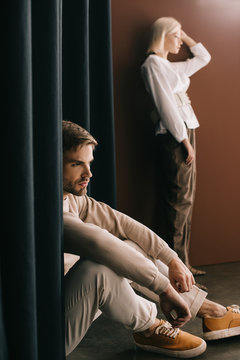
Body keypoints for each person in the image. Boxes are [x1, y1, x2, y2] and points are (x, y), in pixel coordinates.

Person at [62, 120, 240, 358]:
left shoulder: (71, 196)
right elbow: (101, 243)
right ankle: (148, 327)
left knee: (129, 246)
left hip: (72, 300)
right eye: (76, 164)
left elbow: (122, 223)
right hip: (45, 336)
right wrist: (165, 289)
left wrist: (172, 258)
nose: (88, 174)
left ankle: (209, 312)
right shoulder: (45, 209)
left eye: (89, 163)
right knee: (99, 267)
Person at [141, 17, 211, 276]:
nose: (181, 42)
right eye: (176, 36)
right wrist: (184, 141)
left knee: (185, 201)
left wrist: (184, 33)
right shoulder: (152, 64)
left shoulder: (168, 66)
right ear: (162, 36)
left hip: (185, 131)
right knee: (177, 202)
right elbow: (166, 108)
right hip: (175, 136)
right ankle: (177, 268)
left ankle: (184, 262)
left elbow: (203, 58)